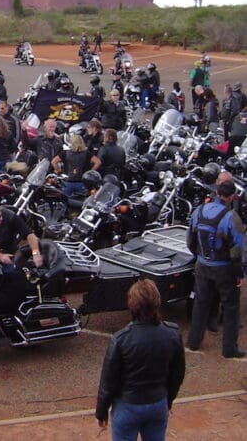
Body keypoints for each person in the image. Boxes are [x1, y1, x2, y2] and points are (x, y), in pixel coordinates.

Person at [95, 279, 185, 440]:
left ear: (132, 305)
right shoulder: (172, 333)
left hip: (127, 405)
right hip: (158, 402)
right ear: (157, 302)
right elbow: (177, 373)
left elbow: (108, 382)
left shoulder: (121, 339)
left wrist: (101, 412)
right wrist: (168, 400)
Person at [186, 181, 246, 358]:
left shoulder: (200, 210)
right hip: (224, 269)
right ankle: (229, 349)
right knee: (231, 307)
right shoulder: (231, 216)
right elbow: (237, 250)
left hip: (203, 265)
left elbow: (190, 239)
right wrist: (239, 274)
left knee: (200, 304)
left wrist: (200, 258)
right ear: (232, 196)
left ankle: (194, 342)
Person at [0, 200, 43, 269]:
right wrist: (0, 256)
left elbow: (29, 234)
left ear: (0, 211)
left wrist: (35, 253)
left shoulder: (11, 216)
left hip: (10, 254)